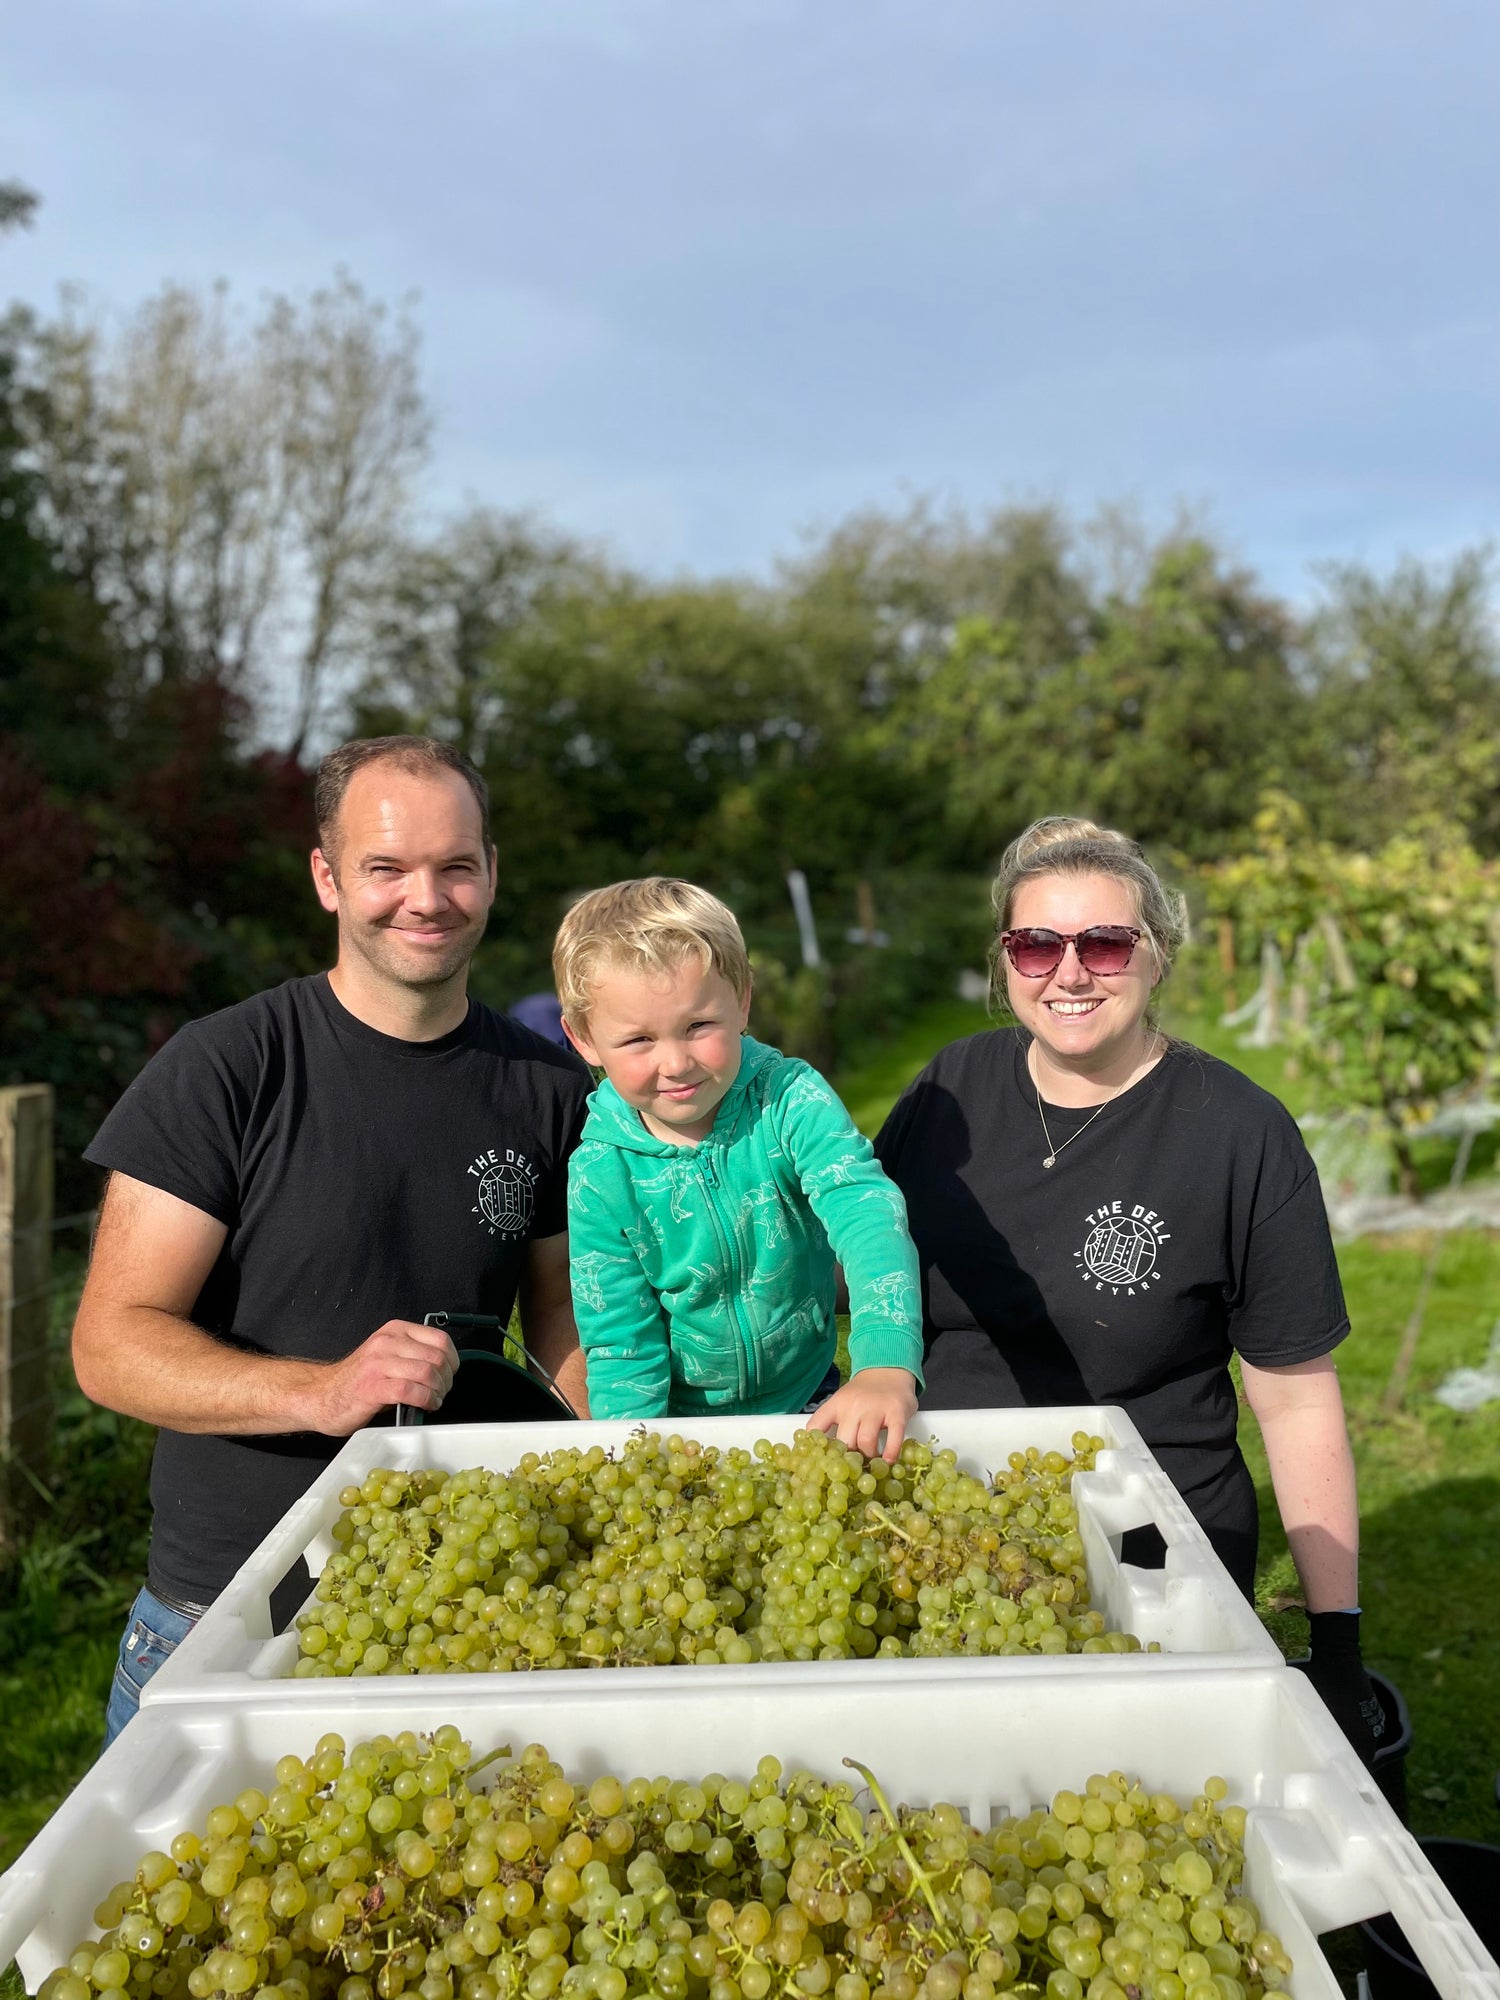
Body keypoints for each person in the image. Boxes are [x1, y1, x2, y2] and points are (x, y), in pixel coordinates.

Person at [73, 735, 592, 1742]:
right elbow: (109, 1342)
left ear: (491, 874)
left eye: (455, 866)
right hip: (229, 1616)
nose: (425, 898)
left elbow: (564, 1320)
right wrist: (322, 1391)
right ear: (328, 877)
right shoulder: (227, 1068)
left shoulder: (550, 1088)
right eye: (386, 867)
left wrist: (585, 1473)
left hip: (460, 1604)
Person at [873, 816, 1387, 1760]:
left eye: (1105, 942)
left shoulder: (1238, 1133)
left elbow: (1296, 1398)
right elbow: (862, 1268)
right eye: (1036, 944)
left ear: (1157, 957)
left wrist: (1337, 1644)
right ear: (1005, 960)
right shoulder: (952, 1086)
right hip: (942, 1534)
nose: (1070, 972)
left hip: (1152, 1545)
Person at [552, 877, 923, 1459]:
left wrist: (882, 1364)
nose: (675, 1062)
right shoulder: (600, 1172)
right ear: (584, 1040)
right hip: (682, 1427)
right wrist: (635, 1458)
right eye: (638, 1039)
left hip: (810, 1397)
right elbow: (621, 1340)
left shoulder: (791, 1100)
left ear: (743, 1001)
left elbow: (867, 1216)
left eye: (699, 1026)